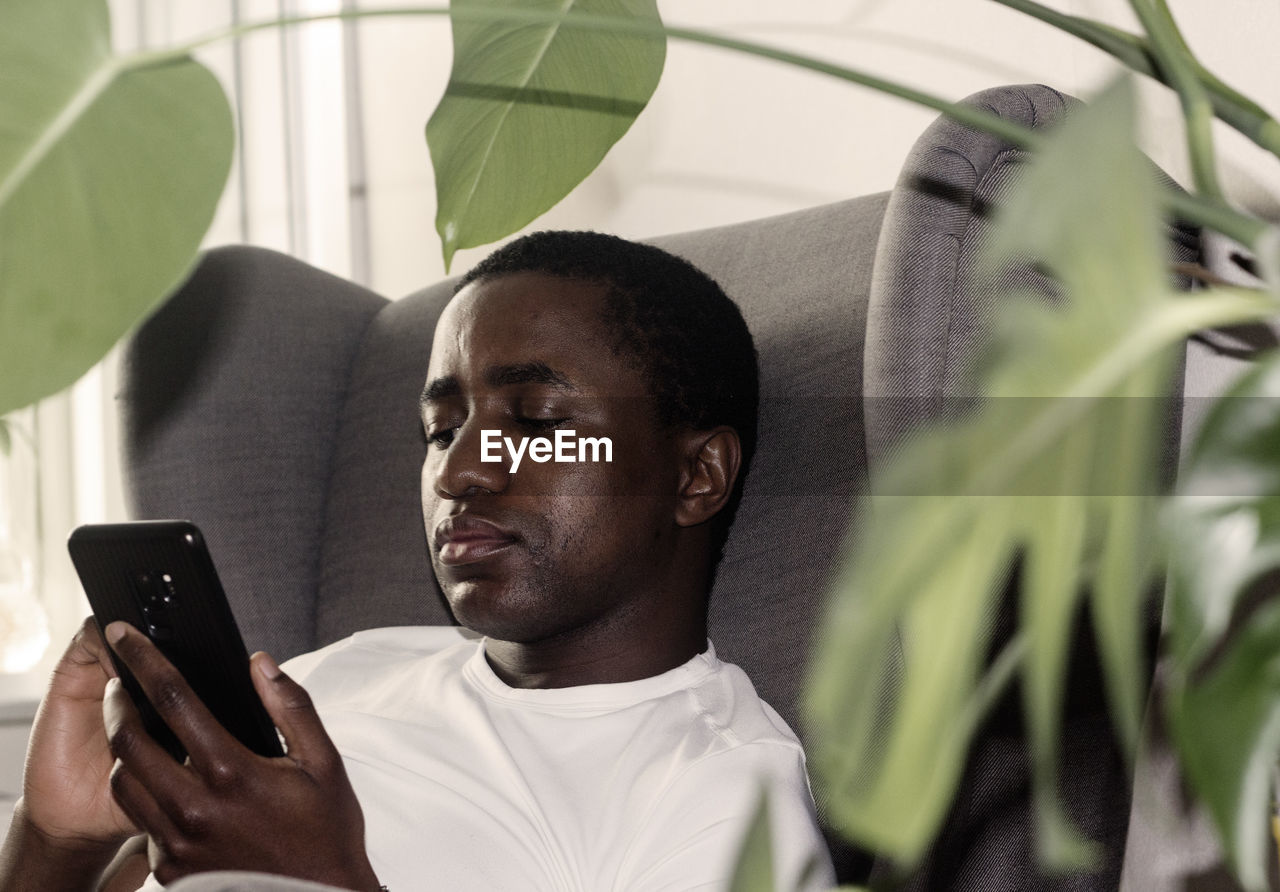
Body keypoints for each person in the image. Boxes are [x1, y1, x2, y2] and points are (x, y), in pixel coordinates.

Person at [0, 231, 836, 891]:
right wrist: (53, 841)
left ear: (699, 474)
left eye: (539, 421)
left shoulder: (720, 801)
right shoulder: (332, 678)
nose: (459, 469)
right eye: (442, 429)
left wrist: (325, 885)